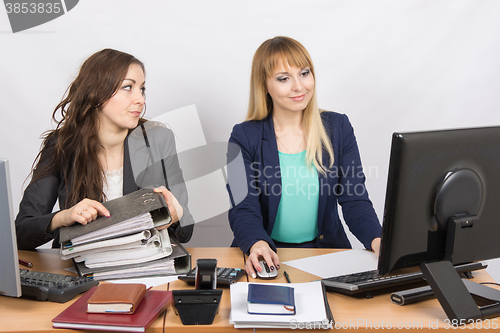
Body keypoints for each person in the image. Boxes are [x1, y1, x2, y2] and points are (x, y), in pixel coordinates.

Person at [227, 36, 382, 278]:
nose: (299, 86)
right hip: (267, 255)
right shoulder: (243, 136)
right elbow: (243, 207)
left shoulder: (338, 127)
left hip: (327, 255)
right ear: (264, 84)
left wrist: (378, 240)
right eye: (283, 78)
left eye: (304, 73)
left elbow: (355, 200)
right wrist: (256, 243)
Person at [15, 48, 194, 250]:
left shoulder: (157, 139)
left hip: (142, 267)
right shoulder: (61, 145)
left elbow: (186, 232)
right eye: (128, 87)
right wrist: (63, 217)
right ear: (97, 93)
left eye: (142, 89)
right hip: (79, 270)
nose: (141, 100)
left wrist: (178, 215)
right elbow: (20, 231)